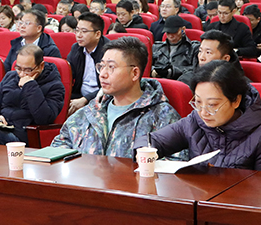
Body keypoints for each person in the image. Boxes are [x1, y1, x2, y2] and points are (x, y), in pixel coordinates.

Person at [144, 60, 261, 170]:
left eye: (212, 105)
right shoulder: (194, 121)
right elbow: (152, 141)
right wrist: (143, 152)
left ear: (236, 101)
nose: (203, 112)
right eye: (198, 102)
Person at [51, 37, 179, 157]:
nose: (102, 74)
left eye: (111, 67)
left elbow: (175, 163)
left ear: (134, 73)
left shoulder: (162, 116)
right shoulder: (92, 110)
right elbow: (59, 145)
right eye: (101, 66)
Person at [0, 45, 67, 150]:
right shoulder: (10, 77)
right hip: (3, 128)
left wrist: (30, 86)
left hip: (24, 135)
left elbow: (44, 118)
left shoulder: (55, 86)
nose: (22, 74)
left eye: (28, 70)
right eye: (18, 68)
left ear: (41, 66)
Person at [66, 12, 108, 115]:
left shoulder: (109, 52)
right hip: (78, 96)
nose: (78, 35)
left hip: (103, 99)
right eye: (77, 30)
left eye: (84, 31)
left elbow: (110, 86)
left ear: (97, 34)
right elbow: (69, 74)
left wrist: (85, 99)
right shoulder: (76, 48)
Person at [151, 15, 198, 81]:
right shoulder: (156, 47)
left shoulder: (193, 48)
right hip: (157, 81)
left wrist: (172, 71)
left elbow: (195, 69)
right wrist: (153, 70)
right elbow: (146, 66)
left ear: (183, 29)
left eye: (174, 32)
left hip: (182, 82)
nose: (170, 35)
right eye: (168, 32)